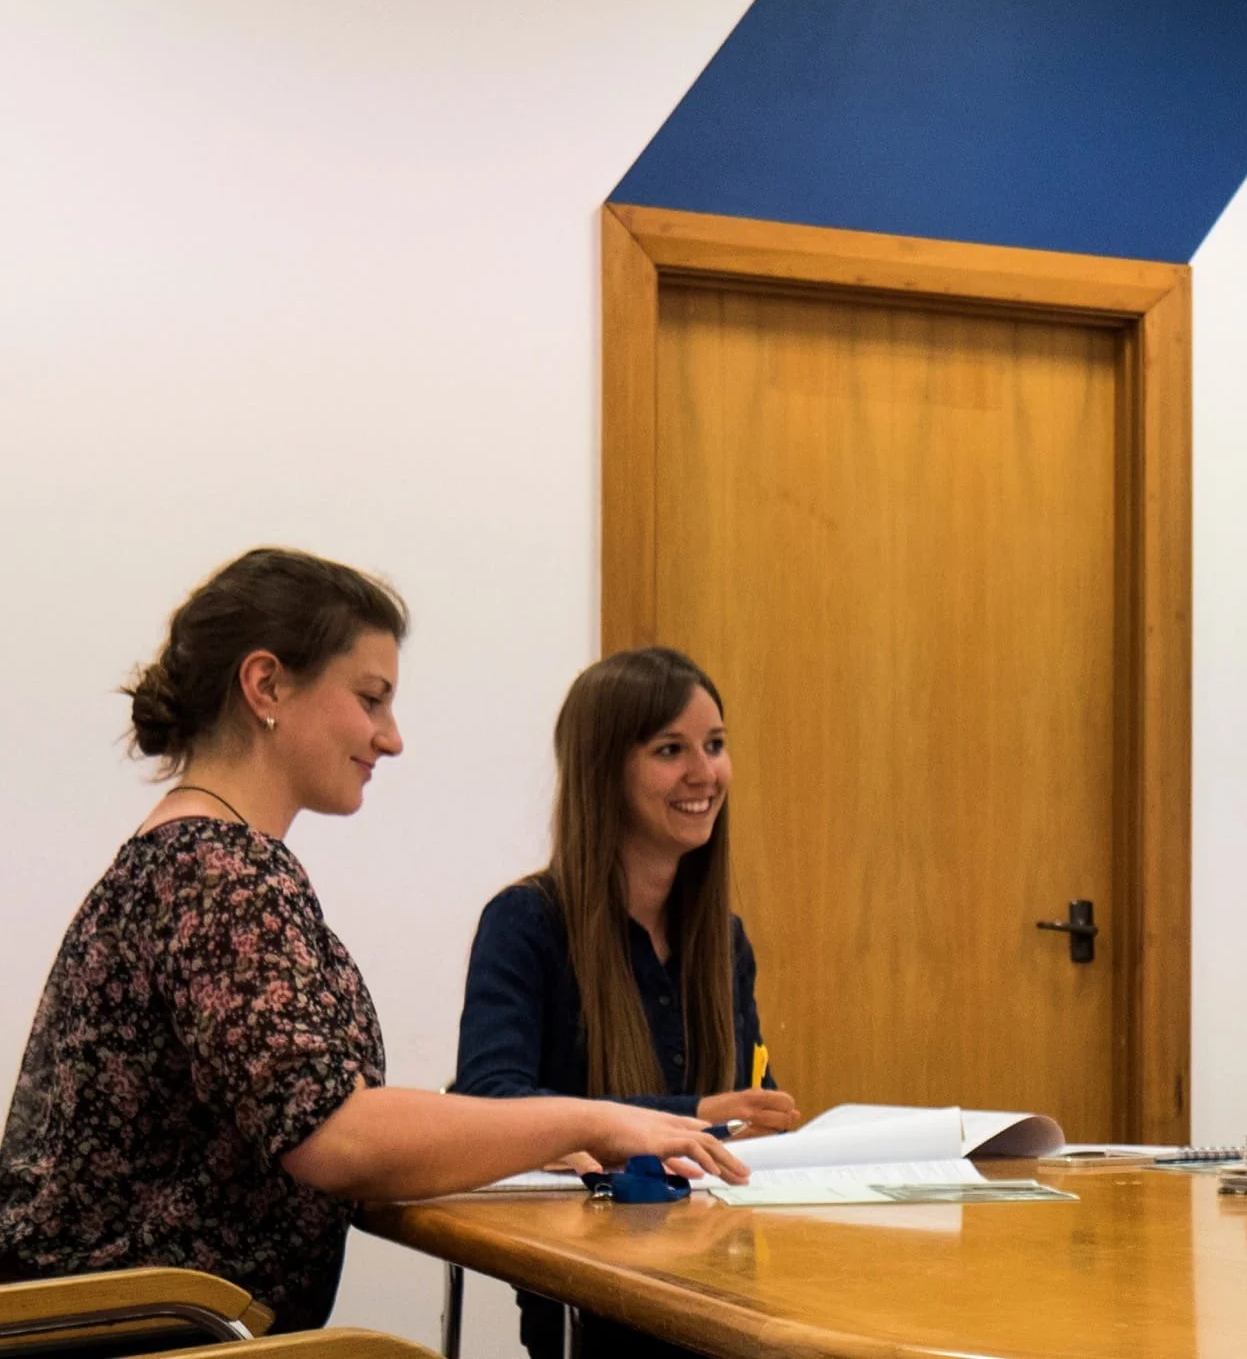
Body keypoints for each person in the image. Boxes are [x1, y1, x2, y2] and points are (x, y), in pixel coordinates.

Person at [0, 550, 745, 1337]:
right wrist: (591, 1122)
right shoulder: (217, 873)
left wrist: (519, 1138)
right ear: (266, 686)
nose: (390, 739)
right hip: (152, 1336)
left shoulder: (199, 860)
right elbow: (334, 1135)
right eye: (371, 699)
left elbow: (320, 1113)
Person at [453, 646, 797, 1358]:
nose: (705, 774)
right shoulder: (526, 922)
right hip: (596, 1298)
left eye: (715, 745)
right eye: (671, 750)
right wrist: (693, 1118)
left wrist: (762, 1122)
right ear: (604, 770)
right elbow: (489, 1098)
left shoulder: (723, 940)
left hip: (722, 1281)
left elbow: (747, 1103)